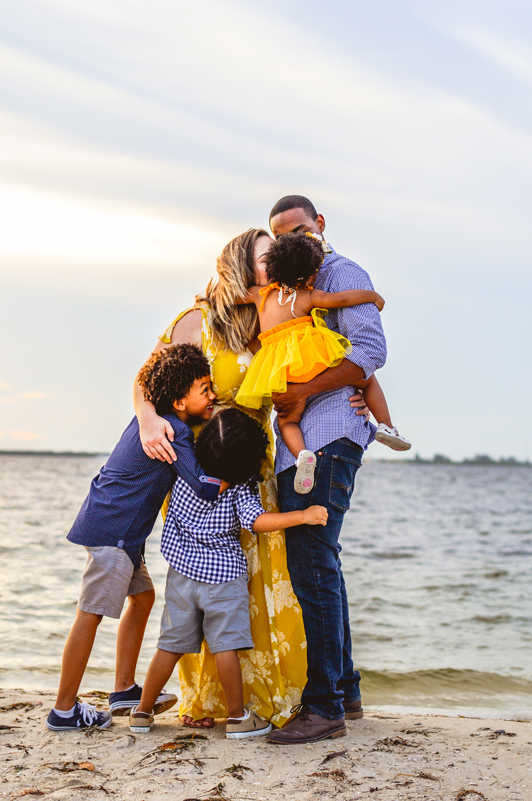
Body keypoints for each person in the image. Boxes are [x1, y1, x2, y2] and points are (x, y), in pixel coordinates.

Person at [134, 229, 309, 729]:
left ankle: (260, 697)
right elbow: (147, 378)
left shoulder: (273, 316)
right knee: (200, 580)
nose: (272, 263)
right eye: (263, 257)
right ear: (238, 262)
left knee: (255, 586)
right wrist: (148, 421)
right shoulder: (195, 322)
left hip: (252, 467)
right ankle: (211, 701)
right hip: (200, 470)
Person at [47, 344, 222, 731]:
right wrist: (240, 468)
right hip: (115, 531)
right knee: (89, 615)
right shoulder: (173, 430)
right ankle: (63, 710)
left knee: (142, 598)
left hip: (119, 530)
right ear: (179, 400)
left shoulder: (153, 418)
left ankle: (124, 689)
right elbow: (205, 486)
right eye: (205, 389)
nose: (213, 396)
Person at [264, 195, 386, 745]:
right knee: (321, 563)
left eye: (299, 227)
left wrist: (300, 394)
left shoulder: (341, 272)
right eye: (282, 232)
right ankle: (347, 692)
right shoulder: (288, 288)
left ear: (319, 225)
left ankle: (324, 707)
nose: (295, 237)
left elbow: (370, 350)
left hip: (331, 436)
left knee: (312, 560)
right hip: (301, 446)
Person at [128, 409, 328, 739]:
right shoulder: (239, 490)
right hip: (224, 580)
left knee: (169, 646)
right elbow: (258, 522)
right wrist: (302, 515)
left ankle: (142, 712)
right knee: (226, 647)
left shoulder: (184, 475)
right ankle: (237, 718)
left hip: (181, 577)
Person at [234, 231, 408, 494]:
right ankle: (387, 425)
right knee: (367, 378)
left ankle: (302, 453)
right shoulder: (308, 296)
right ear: (311, 275)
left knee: (287, 421)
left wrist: (212, 295)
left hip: (280, 369)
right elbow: (341, 300)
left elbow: (234, 295)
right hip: (311, 357)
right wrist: (373, 296)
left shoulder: (261, 295)